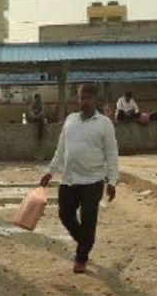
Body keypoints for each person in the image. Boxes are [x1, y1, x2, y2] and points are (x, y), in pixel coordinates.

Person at [40, 84, 118, 274]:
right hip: (69, 178)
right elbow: (61, 149)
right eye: (82, 97)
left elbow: (111, 152)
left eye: (89, 98)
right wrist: (50, 171)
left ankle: (81, 257)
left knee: (88, 219)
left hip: (93, 180)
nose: (85, 101)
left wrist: (112, 181)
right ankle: (85, 241)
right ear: (78, 98)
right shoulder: (70, 120)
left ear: (96, 100)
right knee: (65, 214)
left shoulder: (104, 123)